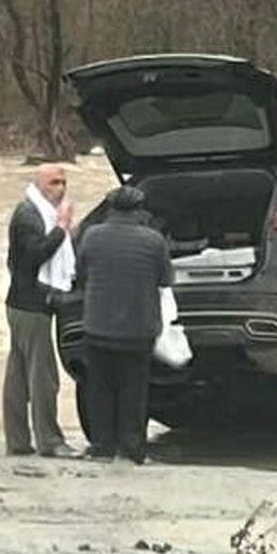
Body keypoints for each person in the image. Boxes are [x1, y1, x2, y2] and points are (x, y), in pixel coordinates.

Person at [76, 185, 173, 464]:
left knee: (100, 390)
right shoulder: (153, 240)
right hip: (137, 329)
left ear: (111, 209)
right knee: (134, 391)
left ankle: (102, 447)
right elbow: (165, 279)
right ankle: (131, 449)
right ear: (139, 211)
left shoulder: (92, 236)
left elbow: (81, 274)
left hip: (97, 327)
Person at [2, 164, 78, 458]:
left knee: (19, 375)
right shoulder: (28, 215)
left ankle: (18, 441)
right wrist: (61, 228)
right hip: (30, 305)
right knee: (42, 376)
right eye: (54, 183)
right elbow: (33, 256)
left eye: (63, 183)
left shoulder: (38, 212)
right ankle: (50, 441)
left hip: (22, 302)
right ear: (39, 185)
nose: (61, 189)